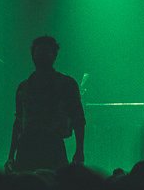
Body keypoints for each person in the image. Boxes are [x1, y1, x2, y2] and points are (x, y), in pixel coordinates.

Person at [5, 36, 85, 173]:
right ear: (32, 56)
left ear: (54, 56)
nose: (42, 54)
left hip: (52, 145)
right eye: (39, 51)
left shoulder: (66, 84)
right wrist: (11, 155)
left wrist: (79, 151)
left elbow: (78, 119)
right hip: (27, 147)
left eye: (46, 51)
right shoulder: (23, 87)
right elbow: (18, 122)